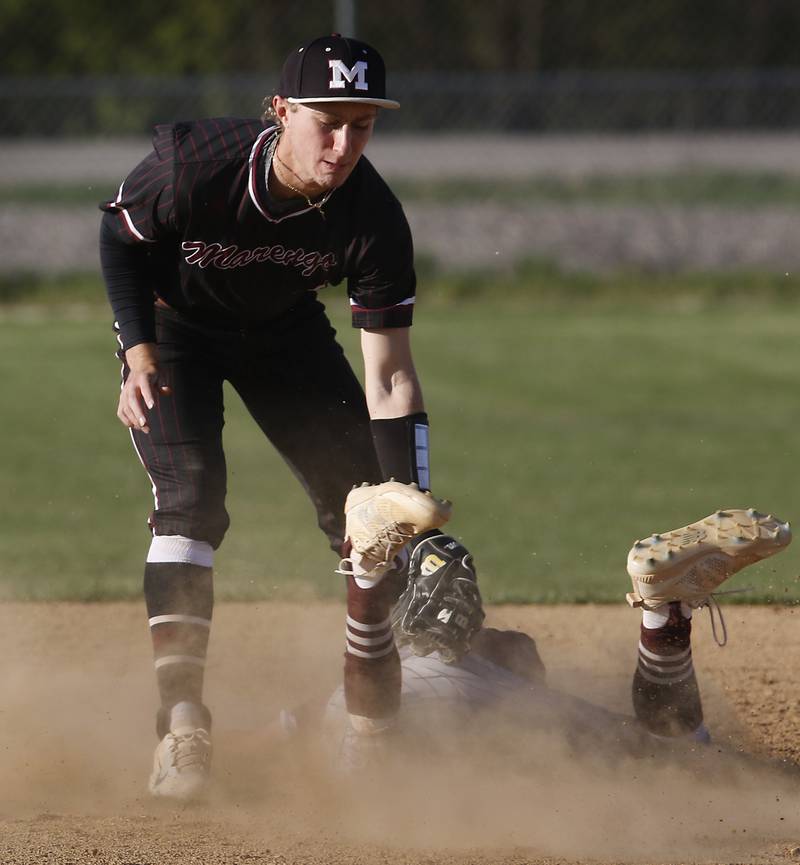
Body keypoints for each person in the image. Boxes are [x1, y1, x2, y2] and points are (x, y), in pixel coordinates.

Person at [98, 33, 450, 800]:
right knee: (190, 499)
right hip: (175, 332)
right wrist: (137, 352)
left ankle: (379, 720)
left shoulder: (373, 216)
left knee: (365, 512)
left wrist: (410, 509)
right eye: (325, 120)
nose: (342, 142)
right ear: (280, 110)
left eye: (361, 124)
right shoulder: (196, 166)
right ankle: (182, 728)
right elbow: (121, 238)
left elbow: (390, 378)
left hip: (284, 334)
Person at [274, 509, 791, 766]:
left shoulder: (333, 696)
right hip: (424, 706)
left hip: (367, 706)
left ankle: (364, 582)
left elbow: (281, 731)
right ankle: (663, 616)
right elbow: (520, 655)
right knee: (678, 758)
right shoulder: (501, 685)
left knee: (371, 736)